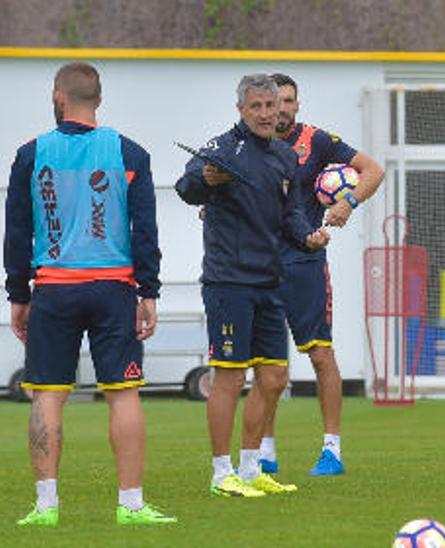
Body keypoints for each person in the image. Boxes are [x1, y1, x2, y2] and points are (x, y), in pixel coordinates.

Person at [4, 62, 174, 526]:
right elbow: (146, 230)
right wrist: (150, 291)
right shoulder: (129, 153)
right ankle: (132, 505)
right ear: (98, 99)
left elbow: (17, 232)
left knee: (47, 396)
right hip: (113, 288)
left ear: (58, 96)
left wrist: (18, 294)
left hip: (54, 290)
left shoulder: (30, 153)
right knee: (123, 395)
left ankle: (45, 507)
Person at [175, 74, 328, 498]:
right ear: (241, 109)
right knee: (229, 377)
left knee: (275, 376)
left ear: (281, 108)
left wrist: (309, 235)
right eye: (256, 106)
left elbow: (292, 215)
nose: (265, 114)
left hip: (269, 281)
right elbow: (186, 188)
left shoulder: (283, 157)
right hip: (229, 283)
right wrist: (208, 179)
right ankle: (221, 474)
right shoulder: (221, 150)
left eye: (271, 106)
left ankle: (250, 467)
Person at [254, 73, 385, 477]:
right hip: (259, 265)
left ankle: (332, 450)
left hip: (305, 264)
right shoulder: (249, 145)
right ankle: (265, 450)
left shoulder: (319, 141)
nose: (283, 108)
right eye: (276, 101)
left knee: (320, 354)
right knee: (267, 364)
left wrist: (347, 202)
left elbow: (373, 171)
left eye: (290, 100)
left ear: (298, 103)